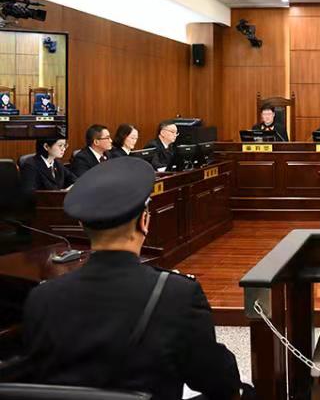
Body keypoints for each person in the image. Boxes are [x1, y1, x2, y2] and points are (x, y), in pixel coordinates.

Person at [22, 157, 243, 400]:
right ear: (145, 221)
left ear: (81, 224)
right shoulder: (177, 294)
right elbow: (219, 381)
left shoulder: (41, 298)